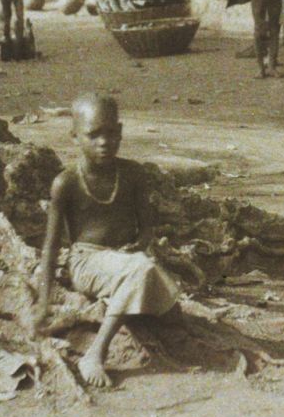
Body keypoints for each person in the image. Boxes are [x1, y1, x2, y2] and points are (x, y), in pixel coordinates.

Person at [34, 93, 182, 388]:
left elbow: (146, 230)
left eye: (112, 132)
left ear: (121, 131)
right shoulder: (66, 183)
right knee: (142, 270)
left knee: (174, 317)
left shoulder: (133, 174)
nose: (104, 141)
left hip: (126, 260)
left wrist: (139, 245)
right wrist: (43, 302)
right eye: (93, 135)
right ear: (75, 136)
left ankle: (120, 301)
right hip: (87, 262)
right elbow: (51, 246)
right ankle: (95, 352)